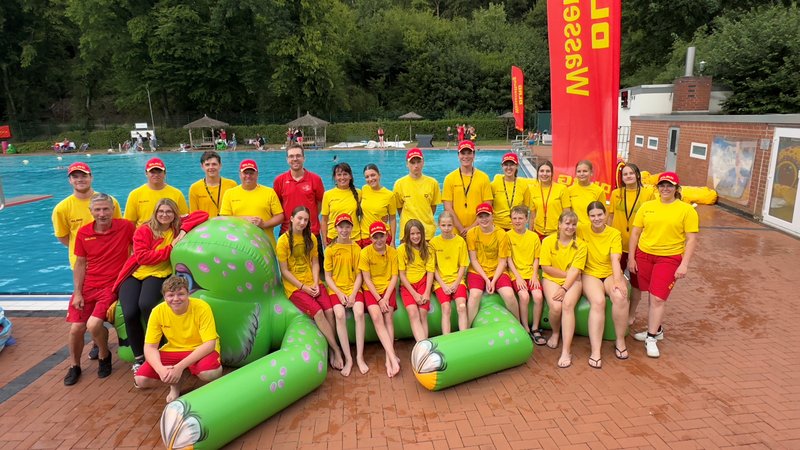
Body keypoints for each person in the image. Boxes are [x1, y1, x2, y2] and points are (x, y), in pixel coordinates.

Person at [115, 199, 208, 373]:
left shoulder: (176, 227)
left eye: (169, 211)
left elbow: (202, 214)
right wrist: (171, 248)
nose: (164, 215)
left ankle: (159, 351)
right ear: (155, 213)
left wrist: (183, 231)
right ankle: (139, 357)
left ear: (174, 214)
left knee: (146, 305)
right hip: (136, 272)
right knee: (129, 312)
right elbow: (143, 258)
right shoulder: (144, 229)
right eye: (161, 211)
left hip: (159, 273)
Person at [53, 162, 123, 360]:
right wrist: (85, 249)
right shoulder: (62, 208)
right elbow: (63, 237)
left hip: (109, 267)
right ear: (70, 180)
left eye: (83, 175)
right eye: (75, 176)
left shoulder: (109, 201)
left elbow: (118, 227)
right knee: (82, 315)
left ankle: (97, 343)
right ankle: (94, 347)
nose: (80, 179)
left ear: (91, 177)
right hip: (82, 265)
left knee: (103, 311)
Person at [64, 193, 135, 386]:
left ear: (113, 210)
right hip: (88, 286)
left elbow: (139, 247)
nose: (102, 214)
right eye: (97, 209)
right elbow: (80, 263)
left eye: (105, 209)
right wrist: (78, 292)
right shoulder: (84, 233)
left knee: (94, 324)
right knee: (76, 328)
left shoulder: (126, 227)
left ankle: (104, 354)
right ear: (91, 211)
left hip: (111, 286)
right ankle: (74, 365)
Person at [628, 172, 699, 358]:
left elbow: (691, 240)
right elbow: (635, 233)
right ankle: (656, 329)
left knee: (658, 298)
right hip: (644, 255)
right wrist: (631, 258)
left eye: (669, 185)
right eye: (662, 185)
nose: (665, 189)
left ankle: (651, 338)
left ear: (676, 188)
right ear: (657, 187)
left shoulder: (686, 210)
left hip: (669, 258)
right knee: (651, 294)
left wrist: (684, 264)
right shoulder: (647, 206)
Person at [133, 275, 223, 403]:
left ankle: (181, 373)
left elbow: (209, 344)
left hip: (200, 348)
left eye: (180, 294)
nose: (176, 299)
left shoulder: (202, 307)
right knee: (141, 380)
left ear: (188, 294)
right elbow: (150, 347)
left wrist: (179, 367)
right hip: (174, 349)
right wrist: (161, 370)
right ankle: (175, 382)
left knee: (210, 373)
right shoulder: (157, 311)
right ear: (164, 297)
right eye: (170, 295)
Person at [276, 206, 344, 371]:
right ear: (291, 219)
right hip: (295, 287)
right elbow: (284, 271)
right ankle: (336, 349)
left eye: (305, 220)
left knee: (329, 310)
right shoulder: (283, 241)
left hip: (312, 282)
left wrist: (315, 282)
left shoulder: (311, 238)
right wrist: (303, 287)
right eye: (299, 218)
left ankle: (331, 347)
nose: (302, 222)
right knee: (319, 313)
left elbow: (315, 263)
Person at [577, 202, 629, 368]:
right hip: (590, 273)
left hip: (609, 273)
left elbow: (615, 259)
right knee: (598, 302)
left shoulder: (614, 233)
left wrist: (618, 281)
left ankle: (620, 340)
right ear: (588, 217)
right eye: (592, 216)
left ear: (605, 214)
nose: (596, 218)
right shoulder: (581, 229)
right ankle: (595, 350)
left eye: (599, 214)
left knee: (620, 297)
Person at [607, 163, 655, 326]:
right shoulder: (616, 194)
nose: (628, 176)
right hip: (617, 244)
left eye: (631, 173)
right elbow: (610, 217)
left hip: (638, 245)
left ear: (637, 175)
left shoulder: (648, 194)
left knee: (636, 284)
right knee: (613, 278)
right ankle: (613, 310)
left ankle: (631, 313)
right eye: (625, 174)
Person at [540, 211, 587, 368]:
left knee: (567, 305)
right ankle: (555, 332)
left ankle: (566, 351)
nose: (570, 227)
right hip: (552, 277)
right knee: (555, 306)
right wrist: (567, 277)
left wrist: (565, 287)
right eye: (567, 223)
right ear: (559, 224)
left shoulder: (581, 245)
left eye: (573, 224)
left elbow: (576, 270)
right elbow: (546, 267)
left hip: (573, 281)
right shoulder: (548, 241)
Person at [358, 221, 401, 377]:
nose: (379, 240)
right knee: (377, 317)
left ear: (386, 236)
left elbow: (394, 276)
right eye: (375, 237)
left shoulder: (392, 252)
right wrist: (379, 299)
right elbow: (367, 279)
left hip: (387, 289)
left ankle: (389, 359)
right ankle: (393, 358)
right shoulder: (365, 253)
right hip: (372, 290)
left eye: (381, 236)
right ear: (370, 238)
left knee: (388, 317)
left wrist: (386, 297)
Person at [465, 203, 517, 327]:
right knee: (474, 296)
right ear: (477, 218)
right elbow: (473, 260)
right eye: (480, 216)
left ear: (492, 216)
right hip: (477, 271)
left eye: (487, 216)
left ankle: (519, 324)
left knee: (509, 295)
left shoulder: (501, 234)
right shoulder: (472, 233)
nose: (484, 219)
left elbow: (502, 262)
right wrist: (486, 279)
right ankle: (468, 328)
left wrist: (493, 281)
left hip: (497, 270)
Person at [324, 213, 363, 377]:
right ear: (336, 228)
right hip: (336, 289)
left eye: (347, 227)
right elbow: (328, 277)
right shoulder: (330, 250)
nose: (344, 230)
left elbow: (360, 275)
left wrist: (353, 294)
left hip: (353, 288)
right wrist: (339, 294)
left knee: (359, 312)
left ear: (352, 228)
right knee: (339, 315)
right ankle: (348, 358)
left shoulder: (356, 248)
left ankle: (359, 357)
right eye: (341, 227)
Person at [274, 144, 326, 265]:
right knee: (289, 269)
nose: (295, 159)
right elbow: (277, 206)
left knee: (318, 269)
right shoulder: (280, 180)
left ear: (304, 158)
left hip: (312, 232)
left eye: (298, 156)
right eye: (291, 156)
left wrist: (308, 219)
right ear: (287, 159)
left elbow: (320, 203)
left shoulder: (315, 179)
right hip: (287, 232)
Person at [219, 159, 284, 248]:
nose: (248, 176)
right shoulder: (229, 193)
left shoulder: (269, 192)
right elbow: (224, 219)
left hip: (265, 245)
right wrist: (244, 219)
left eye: (251, 173)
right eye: (245, 173)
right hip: (239, 246)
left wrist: (264, 224)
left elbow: (280, 216)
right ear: (240, 174)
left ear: (257, 174)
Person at [505, 206, 546, 345]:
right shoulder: (507, 236)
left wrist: (534, 275)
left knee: (538, 296)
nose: (517, 221)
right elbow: (508, 259)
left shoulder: (533, 236)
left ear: (526, 219)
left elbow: (536, 258)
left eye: (520, 218)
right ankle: (525, 327)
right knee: (524, 296)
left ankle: (535, 328)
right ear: (511, 220)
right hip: (516, 273)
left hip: (531, 273)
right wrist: (517, 277)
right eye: (515, 218)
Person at [443, 140, 493, 238]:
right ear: (458, 155)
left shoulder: (483, 178)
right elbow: (448, 207)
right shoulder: (449, 178)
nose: (466, 156)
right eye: (463, 153)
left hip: (479, 229)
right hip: (456, 231)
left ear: (474, 155)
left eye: (469, 153)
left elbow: (488, 205)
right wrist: (461, 229)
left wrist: (472, 227)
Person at [430, 212, 469, 333]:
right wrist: (443, 285)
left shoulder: (460, 241)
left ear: (453, 225)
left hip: (457, 280)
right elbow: (433, 267)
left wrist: (456, 283)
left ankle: (464, 336)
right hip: (441, 282)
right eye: (443, 225)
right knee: (446, 308)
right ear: (438, 225)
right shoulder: (434, 243)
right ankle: (447, 337)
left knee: (462, 306)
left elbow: (463, 265)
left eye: (449, 225)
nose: (446, 228)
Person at [397, 219, 435, 342]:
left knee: (423, 313)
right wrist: (414, 294)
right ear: (407, 235)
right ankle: (422, 344)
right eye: (412, 234)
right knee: (413, 313)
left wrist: (427, 292)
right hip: (408, 286)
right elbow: (402, 275)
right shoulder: (401, 249)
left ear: (422, 233)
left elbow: (430, 272)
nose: (415, 236)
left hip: (423, 282)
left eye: (418, 233)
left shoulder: (428, 249)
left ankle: (425, 345)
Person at [393, 148, 441, 241]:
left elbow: (433, 207)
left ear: (423, 162)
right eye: (412, 163)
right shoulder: (399, 184)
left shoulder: (433, 183)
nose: (416, 166)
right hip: (407, 233)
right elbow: (399, 208)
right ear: (407, 164)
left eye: (418, 162)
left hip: (427, 233)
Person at [124, 158, 188, 227]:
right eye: (152, 172)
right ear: (146, 173)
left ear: (165, 173)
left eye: (159, 172)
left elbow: (184, 219)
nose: (156, 175)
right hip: (143, 233)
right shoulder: (135, 194)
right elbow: (129, 223)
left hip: (170, 233)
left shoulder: (177, 194)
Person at [320, 163, 362, 245]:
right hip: (334, 239)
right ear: (335, 177)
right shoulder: (328, 194)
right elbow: (324, 220)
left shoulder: (359, 193)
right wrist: (324, 241)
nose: (342, 177)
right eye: (339, 175)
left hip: (354, 239)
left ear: (350, 176)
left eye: (345, 174)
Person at [189, 151, 237, 218]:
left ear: (220, 165)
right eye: (207, 165)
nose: (211, 167)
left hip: (226, 223)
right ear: (202, 167)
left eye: (214, 164)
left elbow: (236, 210)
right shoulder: (195, 188)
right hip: (205, 224)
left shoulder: (231, 185)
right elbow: (194, 215)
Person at [530, 160, 571, 240]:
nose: (544, 174)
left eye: (548, 171)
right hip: (538, 233)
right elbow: (532, 216)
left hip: (556, 233)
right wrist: (530, 234)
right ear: (538, 173)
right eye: (542, 171)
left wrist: (564, 233)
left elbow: (567, 214)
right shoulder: (533, 190)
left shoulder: (562, 189)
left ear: (552, 173)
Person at [491, 152, 531, 231]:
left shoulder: (523, 185)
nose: (509, 167)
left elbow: (526, 208)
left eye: (512, 165)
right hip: (498, 227)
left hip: (516, 227)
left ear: (517, 166)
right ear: (502, 166)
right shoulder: (494, 184)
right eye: (506, 165)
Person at [359, 164, 397, 247]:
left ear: (379, 175)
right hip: (365, 236)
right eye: (367, 177)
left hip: (382, 236)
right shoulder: (364, 189)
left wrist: (393, 241)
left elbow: (393, 219)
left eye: (373, 175)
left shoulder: (389, 195)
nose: (370, 179)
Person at [567, 160, 607, 224]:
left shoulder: (599, 191)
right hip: (575, 228)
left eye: (585, 171)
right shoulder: (569, 190)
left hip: (592, 228)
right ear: (576, 173)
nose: (582, 174)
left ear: (591, 173)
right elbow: (567, 213)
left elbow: (604, 214)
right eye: (579, 171)